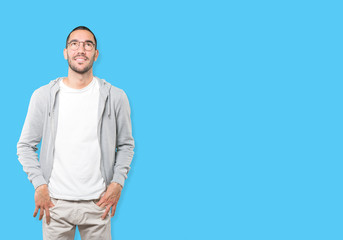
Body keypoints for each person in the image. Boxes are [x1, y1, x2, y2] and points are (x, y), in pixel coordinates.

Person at [17, 26, 135, 239]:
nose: (81, 49)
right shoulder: (43, 96)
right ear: (65, 52)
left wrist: (117, 183)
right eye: (75, 44)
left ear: (96, 54)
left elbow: (126, 144)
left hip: (99, 204)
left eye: (88, 44)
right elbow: (25, 145)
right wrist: (40, 184)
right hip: (55, 205)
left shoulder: (116, 96)